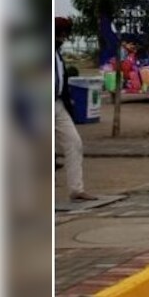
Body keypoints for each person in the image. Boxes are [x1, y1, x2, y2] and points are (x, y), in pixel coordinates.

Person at [55, 17, 95, 201]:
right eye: (61, 34)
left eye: (65, 34)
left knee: (74, 142)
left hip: (57, 104)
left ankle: (76, 189)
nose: (64, 38)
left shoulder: (57, 54)